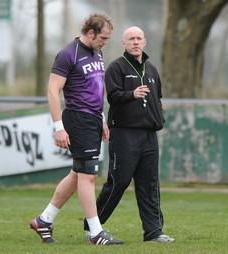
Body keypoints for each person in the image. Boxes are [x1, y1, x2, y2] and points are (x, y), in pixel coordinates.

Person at [29, 12, 123, 245]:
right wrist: (59, 127)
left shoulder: (97, 52)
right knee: (88, 177)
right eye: (103, 37)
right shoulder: (68, 54)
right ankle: (95, 232)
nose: (105, 42)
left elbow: (96, 88)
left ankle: (44, 220)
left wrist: (101, 118)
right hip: (77, 120)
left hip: (92, 120)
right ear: (90, 33)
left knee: (77, 174)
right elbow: (52, 91)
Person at [83, 26, 174, 243]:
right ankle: (93, 225)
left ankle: (153, 232)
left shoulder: (151, 70)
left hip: (149, 136)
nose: (135, 42)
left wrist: (158, 117)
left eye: (138, 38)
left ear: (145, 42)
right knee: (119, 181)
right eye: (131, 39)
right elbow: (113, 97)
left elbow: (158, 98)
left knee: (149, 184)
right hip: (124, 133)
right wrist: (132, 94)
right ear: (123, 43)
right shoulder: (116, 68)